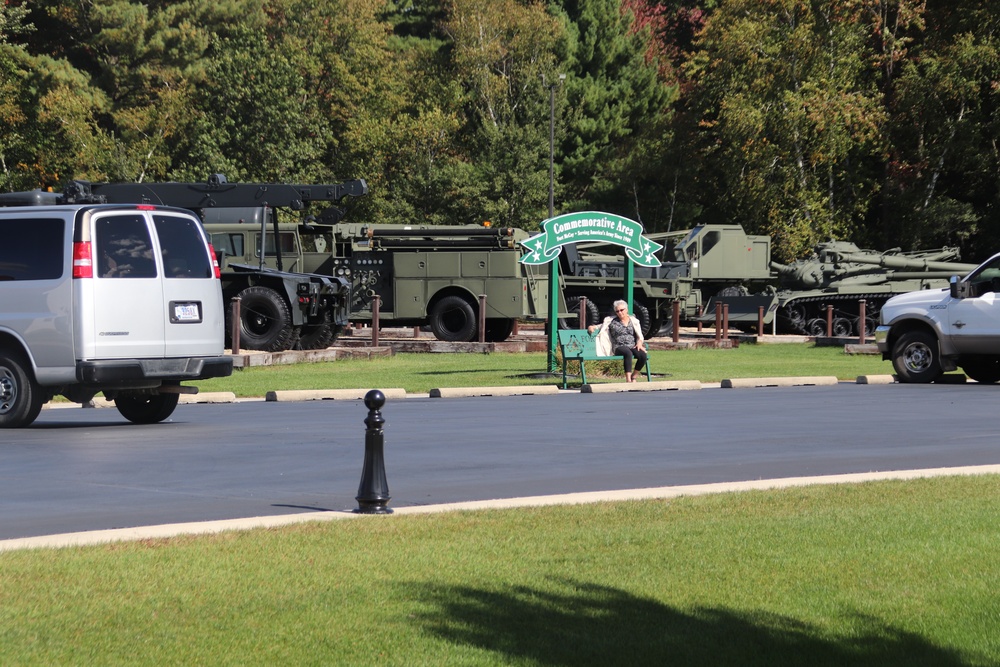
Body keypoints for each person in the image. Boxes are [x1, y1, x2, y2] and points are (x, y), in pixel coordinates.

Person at [587, 299, 647, 382]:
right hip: (619, 346)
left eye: (622, 310)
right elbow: (602, 326)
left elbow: (640, 335)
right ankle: (628, 379)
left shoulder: (634, 321)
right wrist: (592, 327)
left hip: (632, 345)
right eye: (617, 311)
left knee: (643, 356)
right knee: (627, 353)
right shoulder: (611, 321)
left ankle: (634, 376)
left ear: (626, 310)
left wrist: (639, 343)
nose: (620, 313)